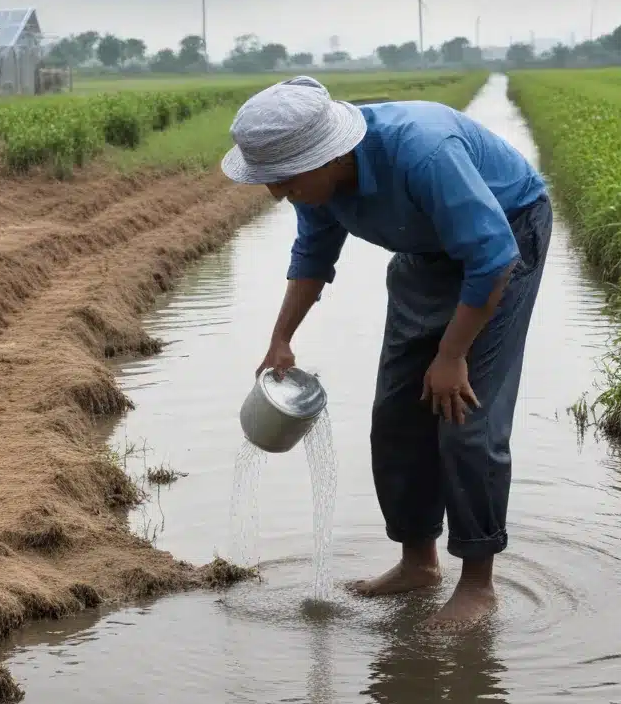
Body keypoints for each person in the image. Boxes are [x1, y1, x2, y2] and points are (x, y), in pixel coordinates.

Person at [220, 76, 552, 625]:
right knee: (396, 413)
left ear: (326, 154)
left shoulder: (423, 153)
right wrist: (281, 337)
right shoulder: (318, 185)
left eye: (283, 179)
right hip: (424, 252)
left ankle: (477, 585)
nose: (277, 193)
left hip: (504, 240)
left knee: (465, 417)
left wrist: (451, 356)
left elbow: (493, 257)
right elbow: (312, 255)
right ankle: (418, 562)